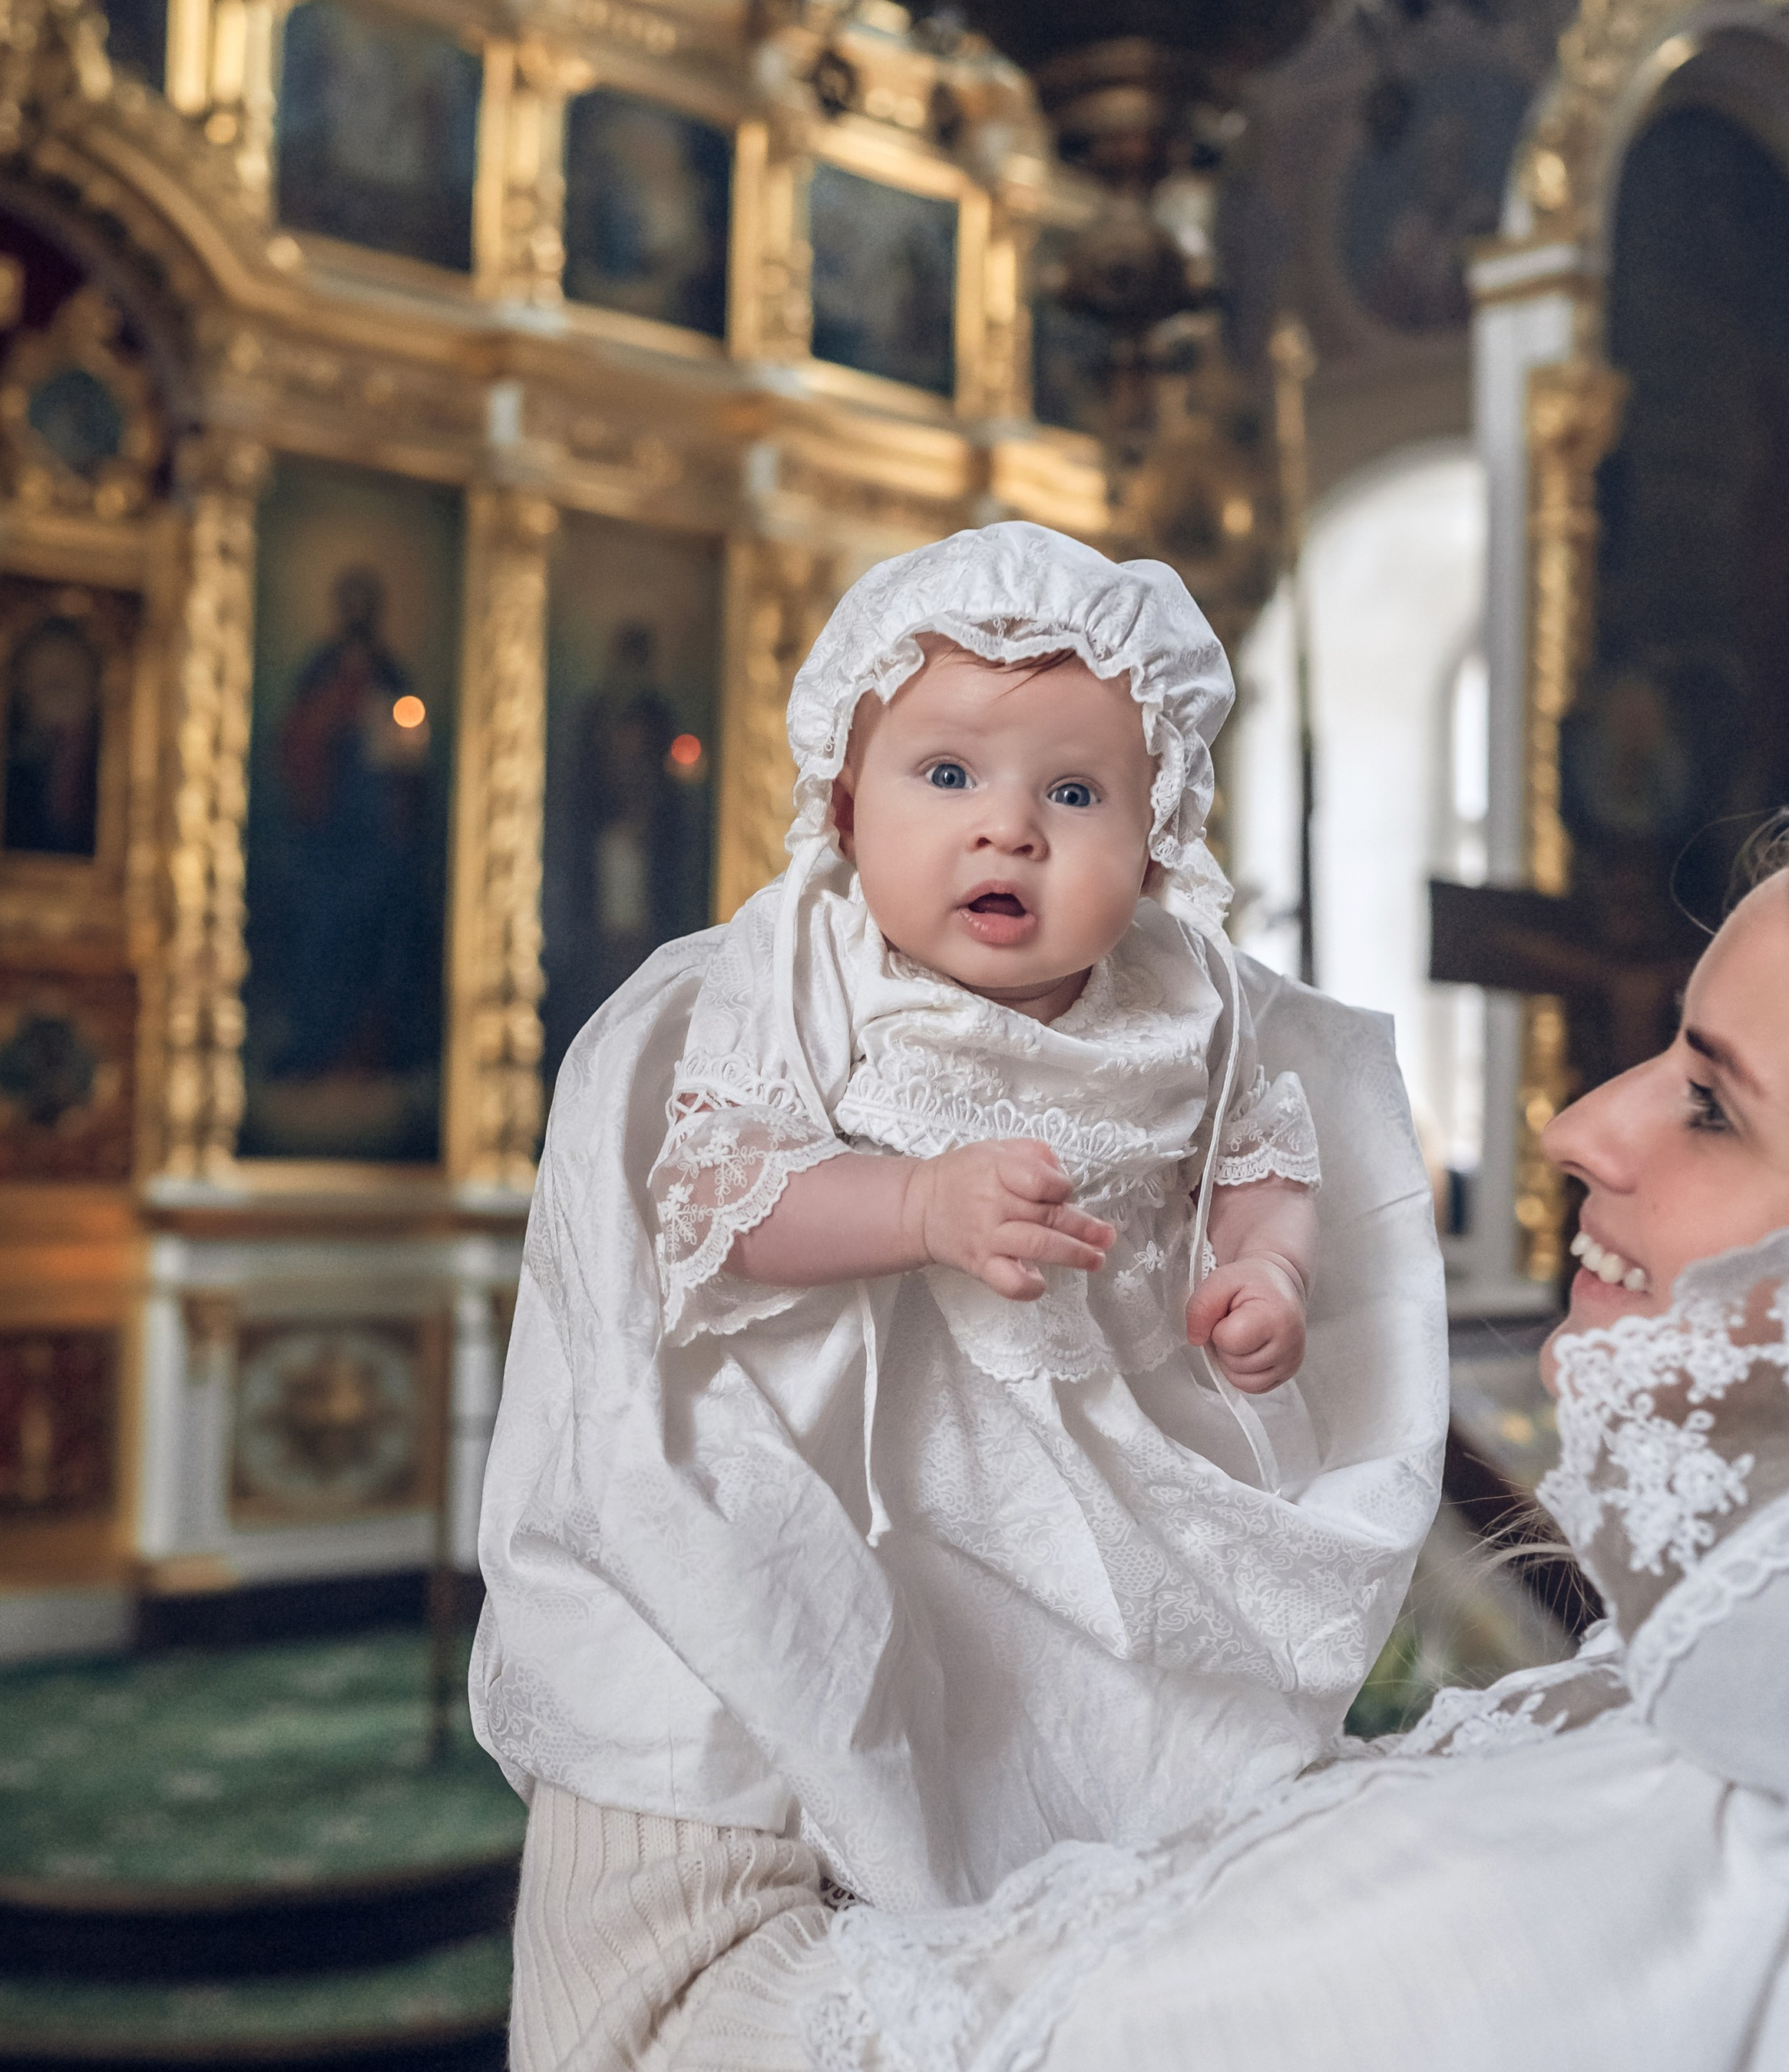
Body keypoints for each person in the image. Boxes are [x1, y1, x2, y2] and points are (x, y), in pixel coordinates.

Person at [496, 777, 1789, 2072]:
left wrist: (687, 1383)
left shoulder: (1573, 1945)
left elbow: (640, 2070)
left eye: (1709, 1101)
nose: (1578, 1123)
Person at [474, 523, 1443, 1918]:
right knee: (889, 1702)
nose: (1010, 828)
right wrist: (918, 1201)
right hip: (869, 1457)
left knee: (1143, 1730)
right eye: (947, 775)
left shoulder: (1190, 996)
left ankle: (1120, 1898)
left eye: (1075, 791)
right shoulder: (804, 971)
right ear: (847, 808)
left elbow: (1259, 1145)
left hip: (1118, 1443)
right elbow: (720, 1199)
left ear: (1161, 840)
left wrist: (1267, 1266)